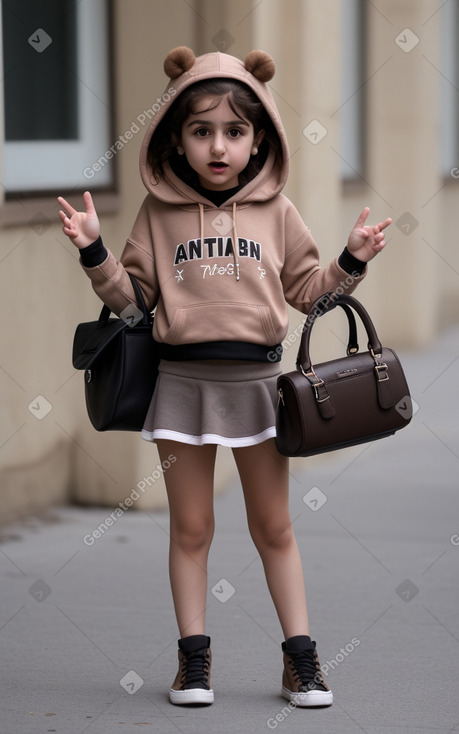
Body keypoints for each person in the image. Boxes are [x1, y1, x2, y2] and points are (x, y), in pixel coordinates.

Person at [58, 46, 391, 708]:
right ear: (176, 141)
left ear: (257, 136)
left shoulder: (277, 210)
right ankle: (193, 663)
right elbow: (133, 306)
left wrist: (351, 260)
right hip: (180, 387)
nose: (218, 146)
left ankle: (301, 661)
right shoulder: (157, 216)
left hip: (258, 392)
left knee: (274, 527)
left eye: (234, 131)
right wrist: (95, 250)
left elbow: (309, 293)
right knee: (191, 529)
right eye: (201, 130)